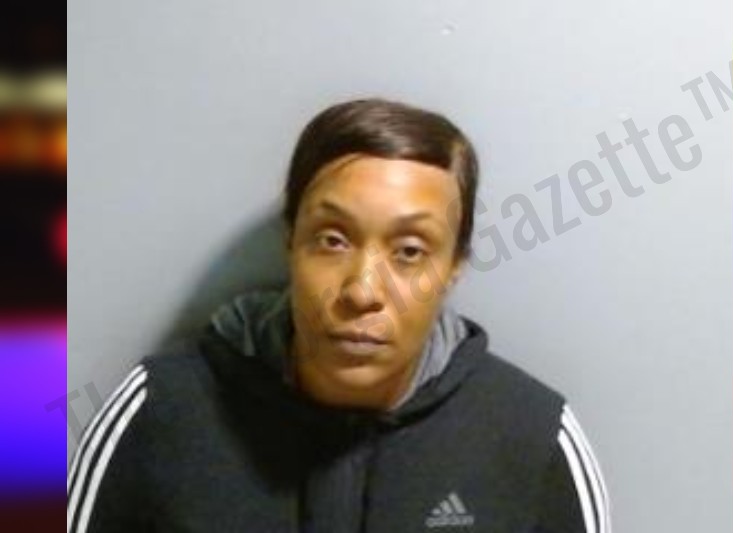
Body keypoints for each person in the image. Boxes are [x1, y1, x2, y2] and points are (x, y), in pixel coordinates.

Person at [67, 98, 611, 532]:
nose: (362, 292)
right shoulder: (159, 413)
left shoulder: (535, 438)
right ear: (291, 243)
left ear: (454, 266)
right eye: (332, 240)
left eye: (410, 251)